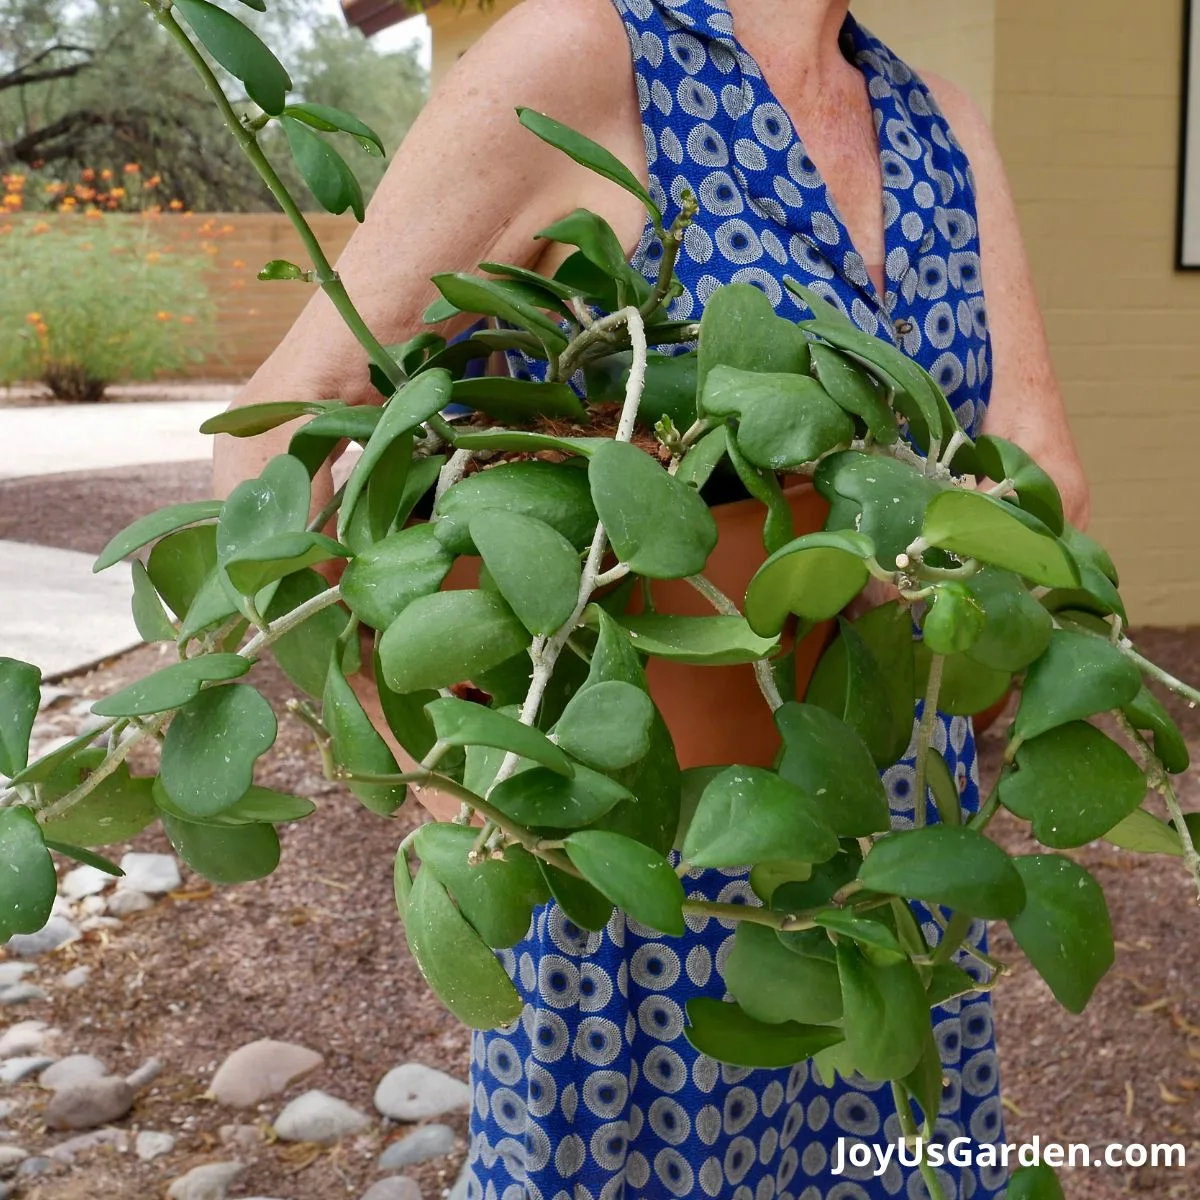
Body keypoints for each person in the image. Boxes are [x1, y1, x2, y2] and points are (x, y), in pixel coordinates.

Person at [215, 2, 1090, 1196]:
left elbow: (1045, 474)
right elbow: (292, 416)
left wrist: (979, 637)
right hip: (626, 837)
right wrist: (403, 741)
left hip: (885, 833)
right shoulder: (583, 53)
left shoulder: (941, 123)